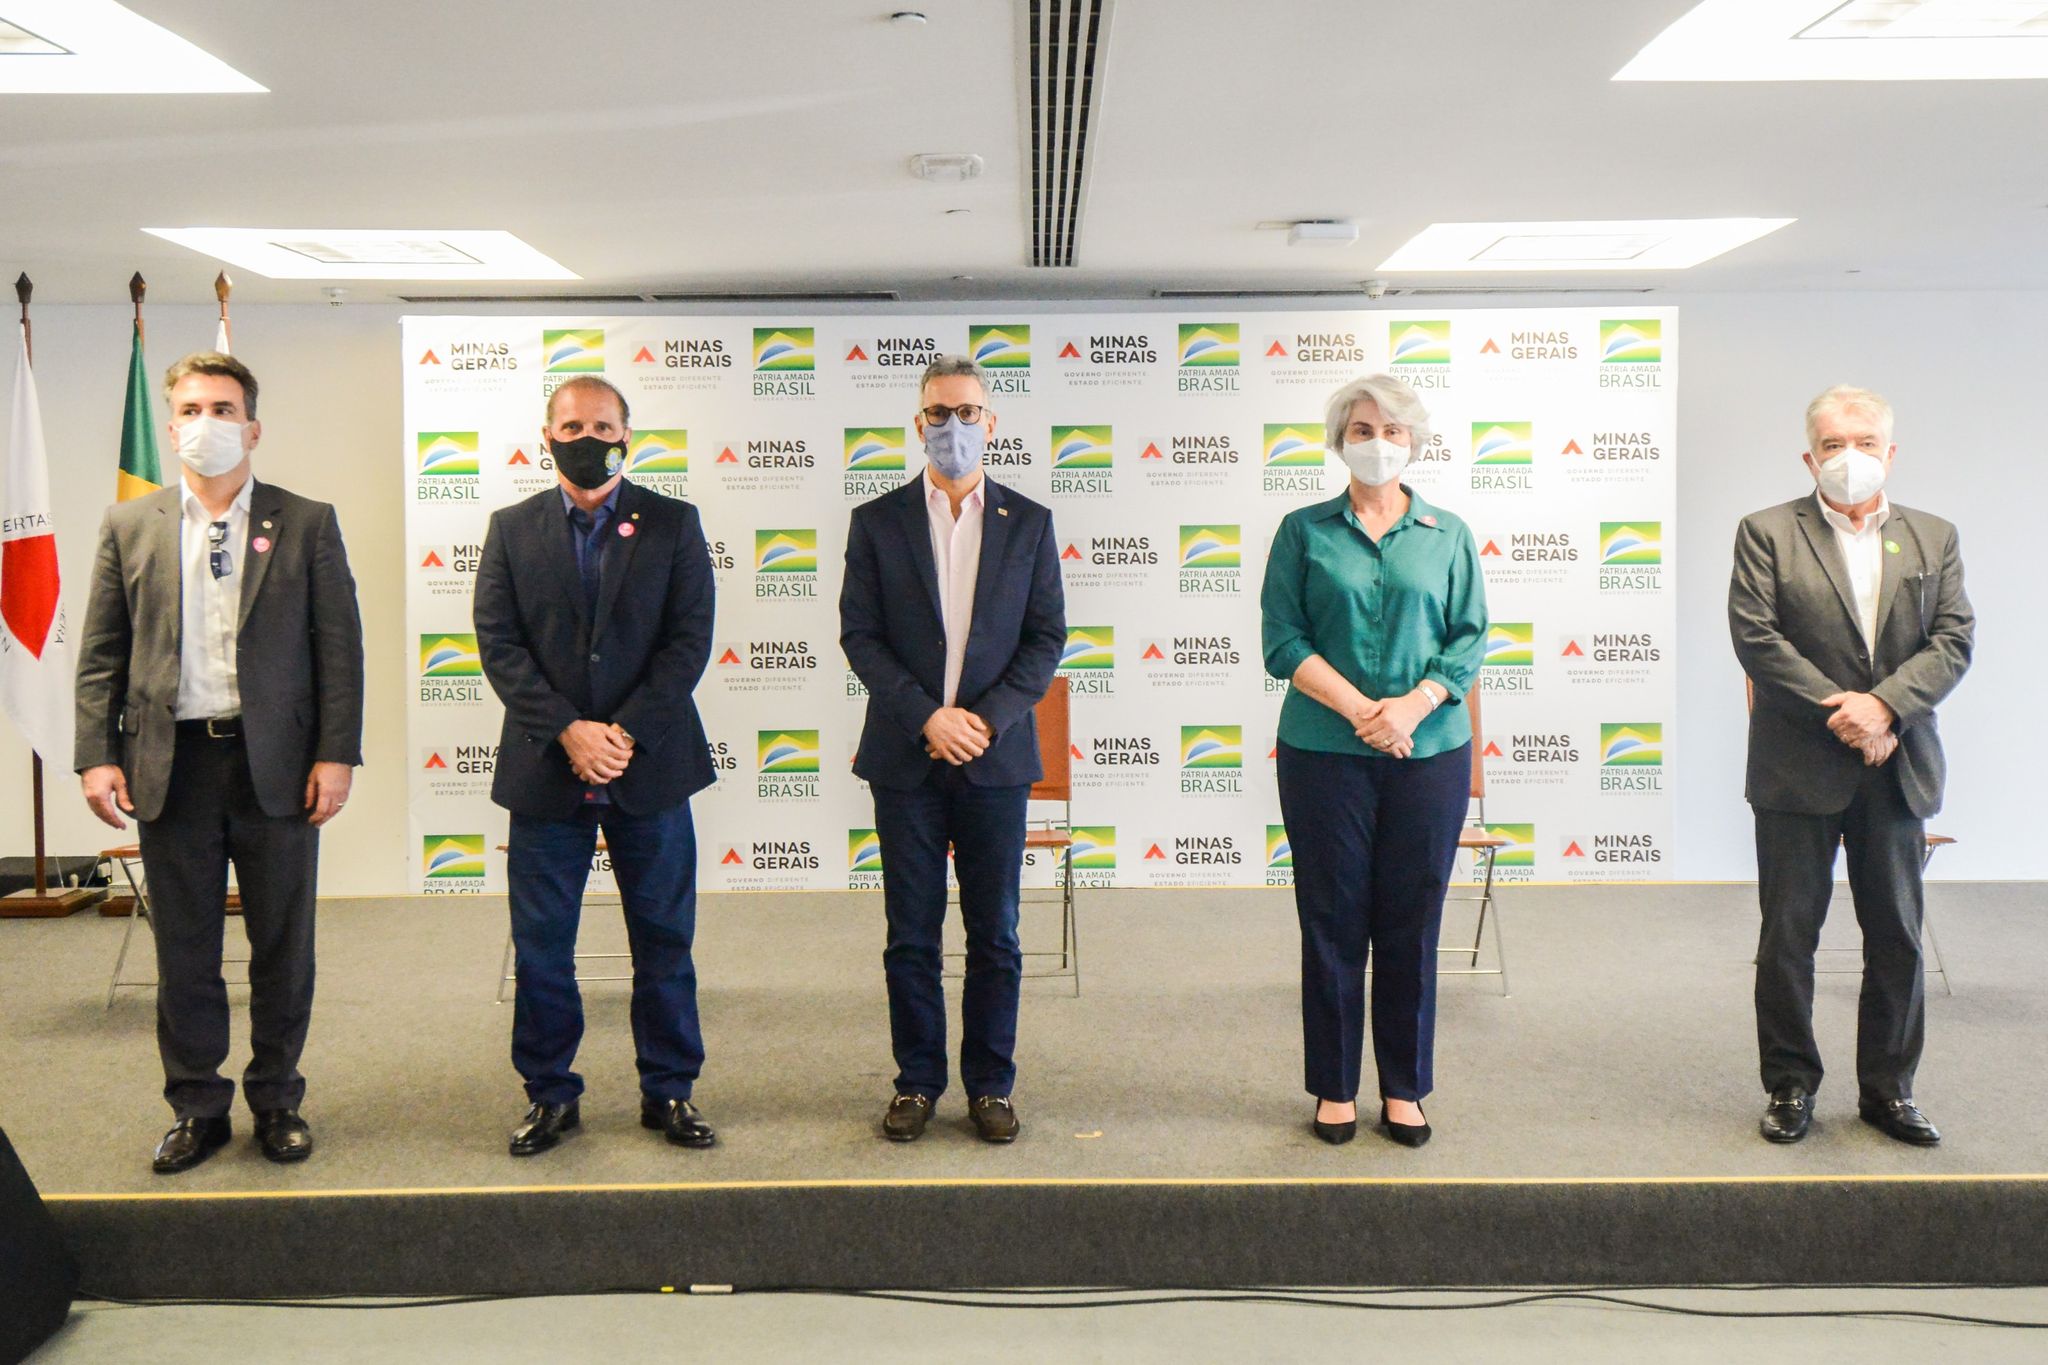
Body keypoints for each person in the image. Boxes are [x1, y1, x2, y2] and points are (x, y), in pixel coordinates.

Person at [75, 351, 364, 1174]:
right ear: (171, 428)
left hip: (276, 765)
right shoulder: (129, 524)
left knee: (282, 945)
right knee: (186, 951)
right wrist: (96, 756)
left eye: (224, 408)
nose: (208, 423)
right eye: (193, 409)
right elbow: (101, 653)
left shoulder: (306, 521)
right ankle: (197, 1106)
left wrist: (336, 754)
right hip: (171, 768)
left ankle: (276, 1098)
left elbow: (339, 651)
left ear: (253, 427)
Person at [472, 375, 719, 1156]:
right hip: (547, 769)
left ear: (627, 437)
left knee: (664, 940)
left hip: (651, 765)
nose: (588, 438)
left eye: (603, 426)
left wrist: (622, 733)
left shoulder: (674, 523)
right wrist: (569, 732)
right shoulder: (511, 529)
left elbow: (689, 641)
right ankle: (550, 1094)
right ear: (546, 438)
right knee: (543, 946)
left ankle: (669, 1090)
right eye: (572, 426)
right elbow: (499, 644)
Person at [1729, 384, 1973, 1147]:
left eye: (1864, 442)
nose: (1849, 457)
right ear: (1810, 457)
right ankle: (1790, 1083)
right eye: (1833, 444)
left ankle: (1889, 1089)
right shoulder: (1767, 532)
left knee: (1897, 934)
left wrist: (1886, 708)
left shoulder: (1933, 536)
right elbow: (1758, 638)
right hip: (1798, 764)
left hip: (1896, 763)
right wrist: (1848, 713)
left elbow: (1953, 641)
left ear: (1889, 452)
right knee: (1788, 937)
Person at [840, 355, 1065, 1143]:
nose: (954, 426)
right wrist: (927, 717)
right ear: (919, 424)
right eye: (939, 413)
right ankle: (916, 1082)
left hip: (995, 760)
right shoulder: (877, 521)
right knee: (911, 933)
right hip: (906, 758)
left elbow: (1045, 640)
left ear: (990, 423)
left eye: (968, 412)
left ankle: (991, 1084)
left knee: (995, 933)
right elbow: (861, 636)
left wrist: (983, 720)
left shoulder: (1029, 522)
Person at [1260, 373, 1487, 1148]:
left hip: (1430, 753)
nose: (1378, 443)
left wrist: (1412, 707)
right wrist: (1365, 711)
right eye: (1362, 430)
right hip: (1324, 751)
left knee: (1411, 922)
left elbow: (1468, 636)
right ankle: (1333, 1085)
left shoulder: (1448, 533)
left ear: (1412, 441)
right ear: (1340, 441)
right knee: (1331, 918)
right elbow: (1283, 640)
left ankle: (1403, 1086)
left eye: (1392, 431)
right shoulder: (1302, 531)